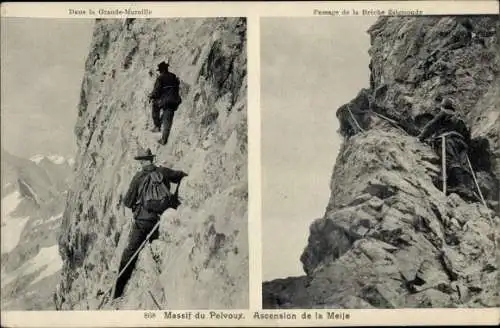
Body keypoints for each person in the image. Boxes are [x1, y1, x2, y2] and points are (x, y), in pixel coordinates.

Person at [112, 148, 187, 299]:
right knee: (159, 252)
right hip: (160, 221)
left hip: (143, 222)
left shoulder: (138, 177)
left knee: (129, 254)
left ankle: (117, 291)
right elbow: (180, 175)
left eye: (140, 161)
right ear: (151, 159)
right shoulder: (163, 171)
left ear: (142, 161)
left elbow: (127, 202)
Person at [418, 98, 476, 200]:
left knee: (451, 160)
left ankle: (459, 185)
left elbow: (431, 126)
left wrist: (421, 138)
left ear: (443, 106)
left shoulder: (443, 113)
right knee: (463, 164)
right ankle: (468, 188)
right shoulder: (459, 119)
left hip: (448, 140)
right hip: (461, 143)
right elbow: (467, 136)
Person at [148, 61, 182, 145]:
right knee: (168, 119)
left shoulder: (160, 78)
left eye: (159, 70)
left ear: (161, 70)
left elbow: (156, 92)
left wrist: (151, 96)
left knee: (155, 105)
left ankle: (157, 127)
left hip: (166, 101)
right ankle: (163, 136)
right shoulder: (173, 76)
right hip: (175, 100)